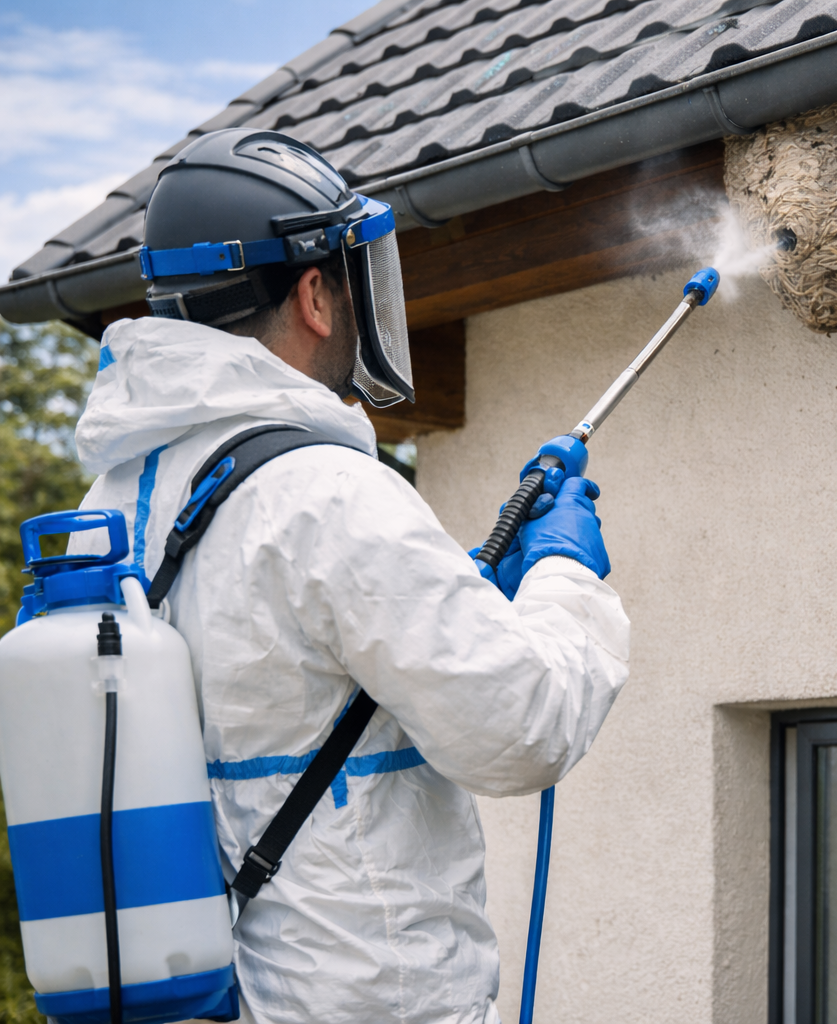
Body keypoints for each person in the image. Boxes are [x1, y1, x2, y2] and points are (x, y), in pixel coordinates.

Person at [70, 129, 630, 1024]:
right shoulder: (326, 495)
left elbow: (288, 680)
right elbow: (521, 726)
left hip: (203, 994)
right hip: (361, 999)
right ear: (316, 294)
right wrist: (564, 579)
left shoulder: (118, 494)